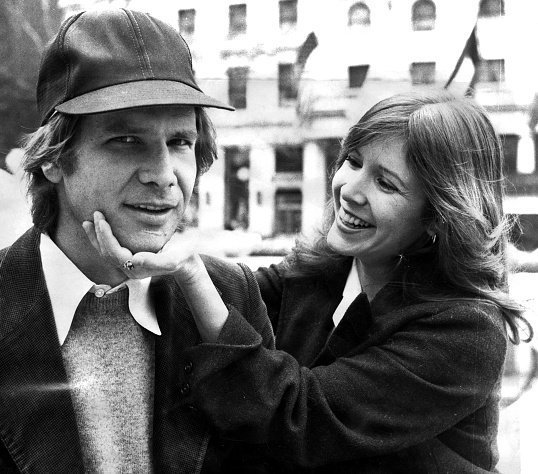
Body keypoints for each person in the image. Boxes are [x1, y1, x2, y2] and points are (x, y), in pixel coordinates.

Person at [90, 92, 533, 473]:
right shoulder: (323, 272)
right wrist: (145, 253)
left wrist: (188, 270)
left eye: (386, 183)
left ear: (438, 214)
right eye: (354, 161)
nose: (350, 189)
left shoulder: (465, 332)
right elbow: (236, 294)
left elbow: (300, 418)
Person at [0, 8, 274, 473]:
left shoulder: (227, 297)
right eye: (125, 140)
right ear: (54, 159)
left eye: (180, 141)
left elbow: (267, 447)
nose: (163, 175)